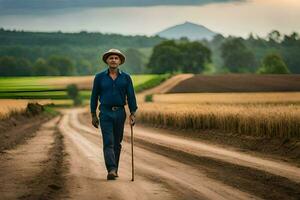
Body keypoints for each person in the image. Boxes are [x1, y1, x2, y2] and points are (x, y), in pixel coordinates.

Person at [90, 49, 137, 180]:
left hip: (120, 112)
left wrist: (132, 113)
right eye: (111, 58)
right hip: (105, 112)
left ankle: (115, 169)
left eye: (116, 58)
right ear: (107, 61)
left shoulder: (126, 78)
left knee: (117, 143)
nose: (113, 60)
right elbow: (94, 96)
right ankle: (111, 169)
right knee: (108, 142)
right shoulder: (99, 77)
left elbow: (131, 96)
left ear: (120, 61)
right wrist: (93, 114)